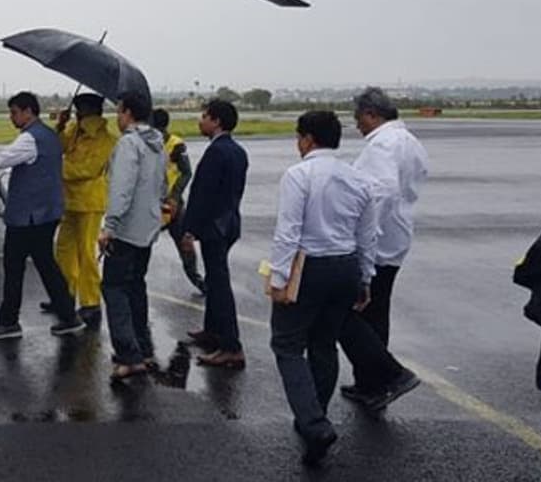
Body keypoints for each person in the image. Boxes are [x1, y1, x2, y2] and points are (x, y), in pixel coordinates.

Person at [268, 111, 377, 466]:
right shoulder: (358, 179)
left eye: (299, 137)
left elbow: (289, 232)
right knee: (324, 343)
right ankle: (317, 414)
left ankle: (313, 423)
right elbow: (367, 236)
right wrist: (364, 277)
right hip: (345, 266)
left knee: (286, 345)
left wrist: (279, 278)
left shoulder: (299, 175)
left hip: (308, 265)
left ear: (308, 139)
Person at [0, 91, 86, 340]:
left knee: (14, 266)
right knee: (46, 265)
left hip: (29, 217)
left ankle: (9, 321)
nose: (11, 117)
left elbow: (3, 158)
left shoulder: (30, 139)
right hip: (45, 213)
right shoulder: (49, 136)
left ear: (28, 112)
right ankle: (68, 316)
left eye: (14, 112)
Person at [339, 87, 426, 408]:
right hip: (398, 237)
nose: (358, 126)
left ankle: (390, 375)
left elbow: (382, 193)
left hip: (377, 242)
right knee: (376, 312)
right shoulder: (409, 141)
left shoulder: (382, 145)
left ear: (371, 115)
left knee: (346, 313)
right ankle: (371, 384)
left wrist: (365, 238)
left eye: (359, 118)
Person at [98, 92, 167, 380]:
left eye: (119, 111)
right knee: (135, 286)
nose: (117, 116)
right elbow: (162, 186)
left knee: (114, 288)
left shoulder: (129, 144)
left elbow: (121, 190)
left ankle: (128, 354)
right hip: (147, 229)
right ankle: (144, 347)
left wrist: (109, 226)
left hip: (126, 230)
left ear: (127, 112)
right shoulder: (157, 143)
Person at [183, 99, 249, 369]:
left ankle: (231, 346)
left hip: (213, 227)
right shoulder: (237, 151)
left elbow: (202, 196)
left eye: (205, 116)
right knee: (215, 277)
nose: (200, 121)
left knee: (219, 285)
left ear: (217, 121)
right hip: (229, 223)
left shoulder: (216, 153)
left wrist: (189, 230)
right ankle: (213, 331)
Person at [51, 93, 117, 329]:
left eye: (82, 111)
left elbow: (87, 169)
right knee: (64, 249)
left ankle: (91, 303)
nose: (78, 116)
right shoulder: (74, 131)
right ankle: (64, 295)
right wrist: (59, 126)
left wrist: (56, 167)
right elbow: (57, 146)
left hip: (90, 203)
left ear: (91, 112)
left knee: (86, 254)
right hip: (69, 201)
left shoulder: (106, 140)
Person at [152, 108, 203, 293]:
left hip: (172, 204)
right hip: (152, 204)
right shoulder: (147, 144)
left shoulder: (175, 144)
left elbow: (186, 172)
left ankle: (198, 280)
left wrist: (174, 196)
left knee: (184, 244)